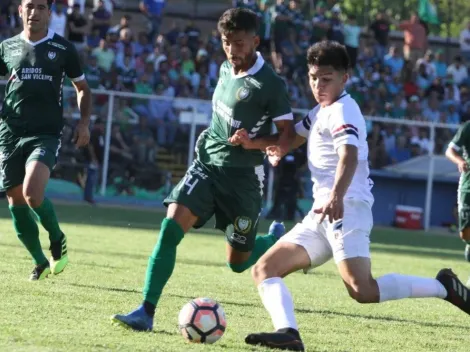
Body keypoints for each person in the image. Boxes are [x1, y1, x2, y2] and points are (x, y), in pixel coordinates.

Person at [242, 41, 470, 351]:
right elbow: (292, 136)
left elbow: (348, 155)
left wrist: (337, 195)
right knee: (264, 269)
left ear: (344, 77)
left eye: (326, 78)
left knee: (362, 290)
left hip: (347, 207)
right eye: (313, 78)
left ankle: (442, 286)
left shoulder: (344, 110)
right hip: (322, 212)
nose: (318, 85)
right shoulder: (321, 110)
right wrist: (254, 143)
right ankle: (288, 333)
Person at [112, 7, 295, 331]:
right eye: (226, 42)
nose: (231, 50)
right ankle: (146, 311)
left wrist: (253, 143)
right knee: (170, 230)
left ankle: (270, 242)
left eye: (238, 43)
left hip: (243, 180)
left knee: (237, 263)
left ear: (254, 40)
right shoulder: (225, 67)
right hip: (208, 166)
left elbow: (288, 135)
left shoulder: (270, 84)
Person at [0, 0, 91, 281]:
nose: (34, 12)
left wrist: (84, 124)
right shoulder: (6, 47)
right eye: (29, 6)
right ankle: (39, 261)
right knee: (15, 201)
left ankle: (56, 237)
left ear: (50, 13)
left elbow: (82, 87)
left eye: (41, 7)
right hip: (10, 133)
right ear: (20, 11)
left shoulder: (63, 48)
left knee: (32, 193)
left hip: (46, 134)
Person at [446, 122, 470, 264]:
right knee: (466, 234)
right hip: (468, 185)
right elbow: (450, 151)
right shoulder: (467, 127)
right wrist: (460, 161)